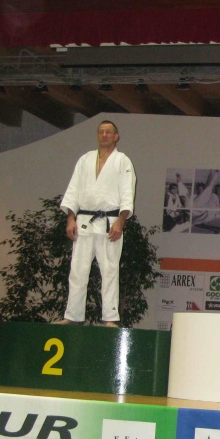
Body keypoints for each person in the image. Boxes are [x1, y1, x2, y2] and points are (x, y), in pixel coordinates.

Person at [55, 120, 136, 327]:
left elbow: (127, 193)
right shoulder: (85, 159)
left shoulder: (122, 161)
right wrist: (70, 217)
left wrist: (121, 221)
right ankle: (72, 315)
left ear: (116, 137)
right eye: (101, 132)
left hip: (110, 221)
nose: (104, 135)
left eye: (108, 132)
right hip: (83, 221)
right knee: (77, 270)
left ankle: (110, 318)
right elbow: (73, 190)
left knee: (109, 270)